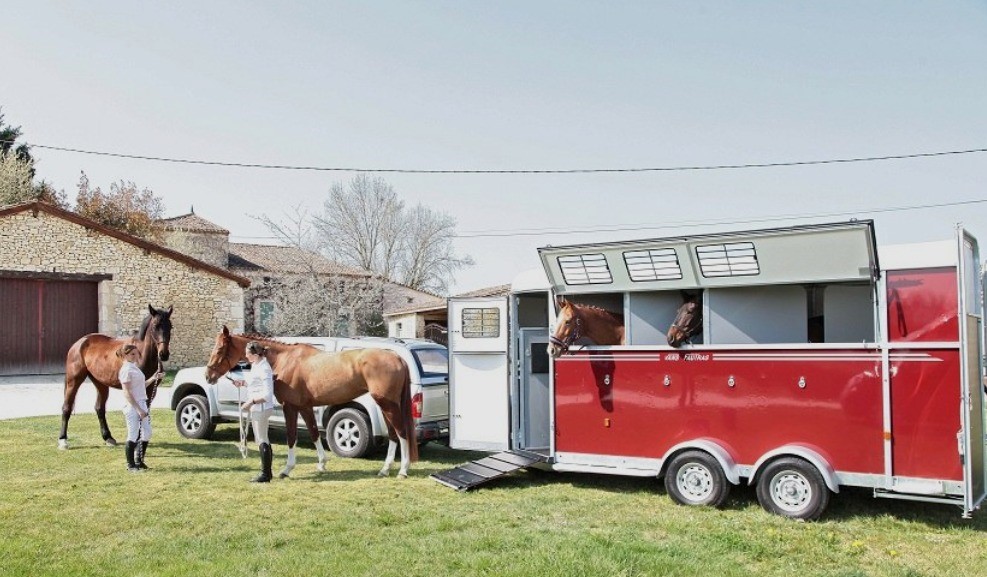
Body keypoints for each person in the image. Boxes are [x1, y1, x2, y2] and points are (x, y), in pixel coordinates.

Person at [233, 341, 276, 483]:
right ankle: (267, 473)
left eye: (248, 353)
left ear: (255, 355)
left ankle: (265, 475)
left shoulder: (264, 368)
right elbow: (255, 384)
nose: (245, 355)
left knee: (262, 439)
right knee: (264, 439)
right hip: (259, 408)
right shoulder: (257, 365)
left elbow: (267, 395)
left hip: (261, 408)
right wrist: (242, 383)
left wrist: (251, 402)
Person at [116, 344, 162, 472]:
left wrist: (154, 378)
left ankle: (139, 460)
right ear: (125, 355)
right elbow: (127, 392)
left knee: (147, 432)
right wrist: (138, 409)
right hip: (132, 406)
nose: (136, 356)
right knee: (133, 434)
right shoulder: (126, 370)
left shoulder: (134, 368)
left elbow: (142, 384)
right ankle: (130, 465)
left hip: (142, 403)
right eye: (132, 354)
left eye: (137, 354)